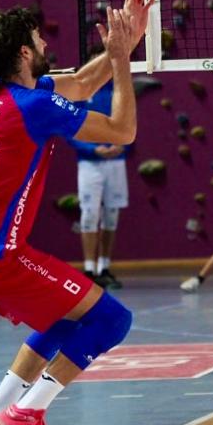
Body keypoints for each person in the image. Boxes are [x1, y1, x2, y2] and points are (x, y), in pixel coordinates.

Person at [0, 0, 153, 425]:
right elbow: (123, 131)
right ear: (24, 52)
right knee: (112, 320)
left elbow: (81, 80)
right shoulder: (34, 108)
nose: (44, 43)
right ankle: (27, 414)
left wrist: (130, 41)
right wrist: (123, 64)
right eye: (38, 39)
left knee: (66, 316)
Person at [67, 49, 133, 290]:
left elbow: (130, 124)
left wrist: (121, 145)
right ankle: (88, 270)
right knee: (89, 215)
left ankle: (104, 267)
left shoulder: (119, 90)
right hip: (89, 164)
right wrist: (92, 150)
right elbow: (69, 130)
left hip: (115, 163)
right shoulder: (80, 93)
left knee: (111, 215)